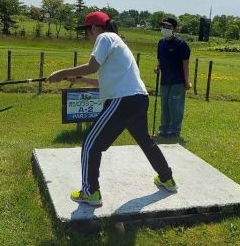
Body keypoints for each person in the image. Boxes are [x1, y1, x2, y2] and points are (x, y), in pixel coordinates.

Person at [47, 11, 177, 206]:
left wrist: (62, 72)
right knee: (145, 141)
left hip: (122, 100)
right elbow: (105, 82)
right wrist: (80, 79)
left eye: (87, 32)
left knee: (90, 143)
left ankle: (90, 192)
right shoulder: (116, 42)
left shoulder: (105, 37)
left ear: (93, 28)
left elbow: (92, 66)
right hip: (138, 99)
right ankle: (167, 178)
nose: (88, 37)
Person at [155, 17, 191, 137]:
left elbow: (185, 64)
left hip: (178, 81)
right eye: (164, 26)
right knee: (165, 105)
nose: (165, 29)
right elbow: (160, 60)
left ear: (175, 29)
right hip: (165, 80)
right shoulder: (161, 43)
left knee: (174, 105)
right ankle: (163, 129)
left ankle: (174, 130)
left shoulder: (181, 44)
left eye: (168, 27)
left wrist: (187, 81)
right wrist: (158, 67)